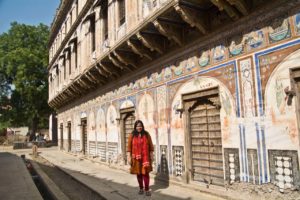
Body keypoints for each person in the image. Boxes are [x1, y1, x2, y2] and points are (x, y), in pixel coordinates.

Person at [127, 120, 154, 196]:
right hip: (136, 158)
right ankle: (141, 188)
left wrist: (151, 155)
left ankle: (147, 189)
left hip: (145, 158)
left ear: (142, 126)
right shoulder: (132, 135)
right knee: (139, 174)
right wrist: (129, 157)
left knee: (145, 173)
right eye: (138, 126)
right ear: (135, 127)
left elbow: (151, 146)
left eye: (140, 126)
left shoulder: (146, 134)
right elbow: (129, 147)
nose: (139, 127)